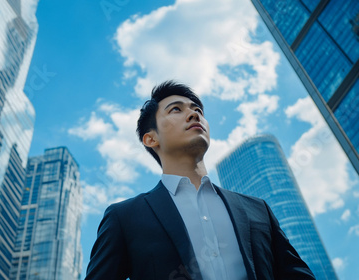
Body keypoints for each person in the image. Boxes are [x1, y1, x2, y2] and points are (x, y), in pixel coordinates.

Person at [85, 81, 315, 280]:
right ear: (150, 138)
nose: (194, 114)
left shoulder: (258, 210)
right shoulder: (124, 218)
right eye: (176, 109)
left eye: (198, 110)